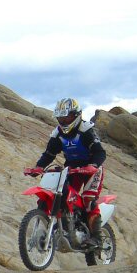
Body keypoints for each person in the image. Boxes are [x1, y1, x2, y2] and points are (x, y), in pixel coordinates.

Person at [24, 97, 107, 247]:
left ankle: (97, 238)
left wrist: (93, 165)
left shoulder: (86, 131)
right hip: (72, 169)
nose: (63, 121)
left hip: (92, 169)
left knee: (88, 199)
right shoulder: (57, 134)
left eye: (67, 117)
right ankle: (67, 225)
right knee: (64, 194)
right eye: (60, 118)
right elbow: (49, 154)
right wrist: (38, 167)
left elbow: (100, 152)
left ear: (76, 115)